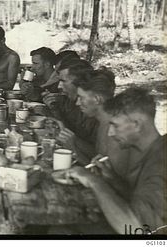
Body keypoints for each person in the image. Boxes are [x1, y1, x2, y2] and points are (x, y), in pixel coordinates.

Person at [65, 87, 167, 234]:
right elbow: (142, 201)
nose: (110, 133)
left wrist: (92, 180)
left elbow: (134, 229)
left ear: (137, 124)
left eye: (115, 125)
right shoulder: (154, 150)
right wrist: (113, 180)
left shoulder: (161, 162)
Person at [42, 59, 98, 163]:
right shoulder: (71, 101)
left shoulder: (95, 108)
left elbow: (98, 155)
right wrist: (54, 111)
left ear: (79, 82)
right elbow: (70, 129)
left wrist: (73, 141)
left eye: (63, 81)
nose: (59, 86)